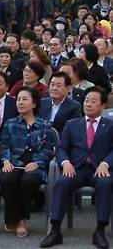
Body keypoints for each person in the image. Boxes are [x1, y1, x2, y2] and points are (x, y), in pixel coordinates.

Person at [41, 86, 113, 249]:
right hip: (76, 168)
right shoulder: (72, 124)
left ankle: (100, 230)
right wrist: (65, 162)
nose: (88, 104)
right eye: (86, 100)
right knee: (62, 183)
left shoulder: (109, 125)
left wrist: (106, 163)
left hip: (99, 169)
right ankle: (55, 230)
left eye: (94, 101)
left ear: (102, 106)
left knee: (105, 184)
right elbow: (62, 148)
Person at [0, 85, 57, 238]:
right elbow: (4, 145)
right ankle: (15, 218)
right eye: (18, 99)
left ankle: (22, 220)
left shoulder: (44, 126)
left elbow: (49, 149)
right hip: (14, 162)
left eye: (25, 99)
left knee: (28, 180)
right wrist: (5, 161)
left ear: (34, 103)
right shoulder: (11, 123)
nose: (20, 102)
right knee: (7, 178)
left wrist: (37, 163)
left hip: (35, 164)